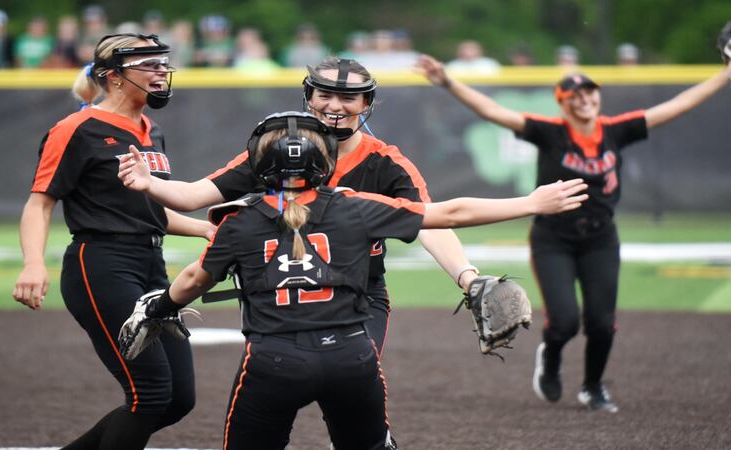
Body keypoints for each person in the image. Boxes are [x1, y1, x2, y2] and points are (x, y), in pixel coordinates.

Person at [120, 111, 588, 448]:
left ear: (258, 167)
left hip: (274, 362)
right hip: (352, 358)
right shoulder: (355, 206)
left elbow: (193, 279)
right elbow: (449, 213)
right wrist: (531, 203)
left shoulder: (237, 221)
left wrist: (159, 307)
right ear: (325, 162)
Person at [416, 53, 731, 412]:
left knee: (602, 323)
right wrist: (448, 82)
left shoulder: (615, 130)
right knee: (565, 322)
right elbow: (494, 112)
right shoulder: (550, 132)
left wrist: (728, 73)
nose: (585, 99)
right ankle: (551, 354)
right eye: (575, 95)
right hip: (553, 239)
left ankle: (593, 387)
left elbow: (678, 105)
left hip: (600, 239)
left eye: (590, 92)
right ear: (563, 103)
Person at [119, 57, 486, 359]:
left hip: (357, 293)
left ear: (366, 104)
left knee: (356, 384)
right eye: (325, 95)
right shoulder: (274, 149)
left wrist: (468, 278)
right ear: (309, 97)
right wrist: (150, 184)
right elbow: (194, 196)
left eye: (349, 98)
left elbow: (430, 222)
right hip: (276, 292)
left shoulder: (386, 163)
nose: (335, 106)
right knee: (274, 389)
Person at [12, 33, 213, 449]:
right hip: (101, 265)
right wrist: (33, 263)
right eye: (150, 64)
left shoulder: (152, 131)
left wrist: (207, 229)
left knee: (178, 399)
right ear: (114, 76)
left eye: (164, 63)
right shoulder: (76, 129)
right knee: (151, 394)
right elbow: (40, 204)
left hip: (151, 265)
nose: (162, 71)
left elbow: (149, 211)